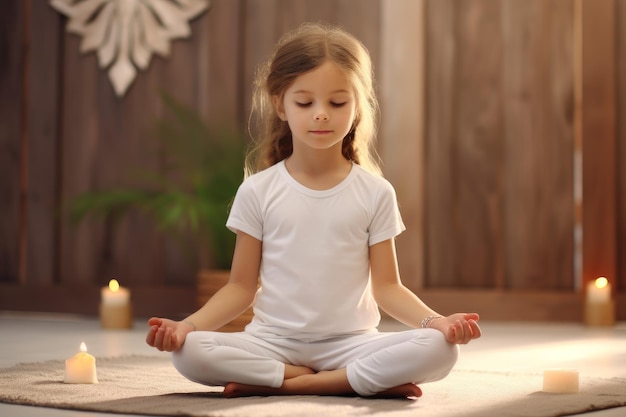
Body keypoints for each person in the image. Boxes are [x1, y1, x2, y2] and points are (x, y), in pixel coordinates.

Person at [146, 22, 481, 399]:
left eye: (337, 102)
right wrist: (185, 328)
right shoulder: (258, 191)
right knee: (189, 355)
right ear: (280, 104)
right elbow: (240, 287)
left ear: (356, 107)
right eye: (305, 103)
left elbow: (387, 288)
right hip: (272, 341)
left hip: (351, 343)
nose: (321, 114)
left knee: (440, 351)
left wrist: (437, 322)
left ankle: (295, 382)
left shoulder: (375, 192)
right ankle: (346, 380)